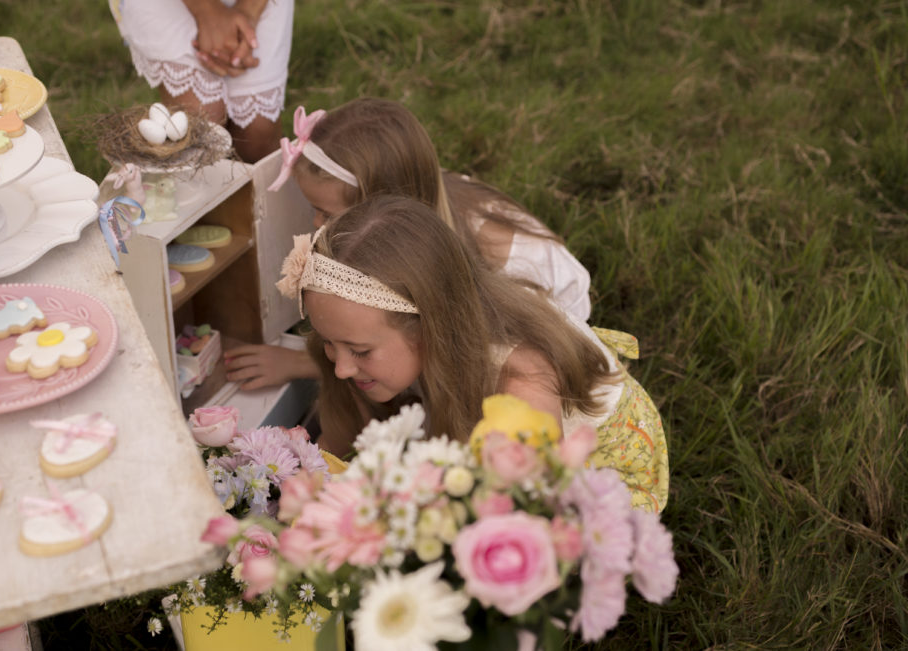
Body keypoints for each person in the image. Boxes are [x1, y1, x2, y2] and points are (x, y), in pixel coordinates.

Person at [277, 196, 669, 512]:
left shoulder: (523, 384)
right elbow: (342, 439)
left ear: (429, 325)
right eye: (329, 343)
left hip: (585, 478)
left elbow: (523, 520)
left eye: (360, 351)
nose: (342, 368)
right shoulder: (384, 341)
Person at [223, 97, 593, 386]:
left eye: (327, 215)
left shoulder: (497, 271)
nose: (316, 226)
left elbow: (447, 362)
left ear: (382, 214)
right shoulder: (423, 200)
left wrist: (305, 363)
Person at [99, 0, 294, 161]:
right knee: (201, 122)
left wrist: (248, 13)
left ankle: (248, 191)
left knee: (258, 133)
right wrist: (207, 11)